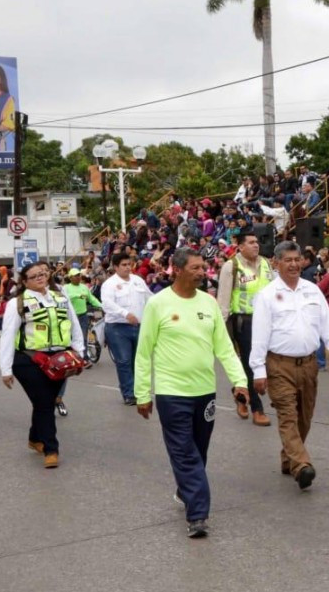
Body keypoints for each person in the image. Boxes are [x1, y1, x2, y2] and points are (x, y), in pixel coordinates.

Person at [134, 248, 248, 538]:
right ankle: (197, 515)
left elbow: (224, 347)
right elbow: (144, 352)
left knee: (199, 451)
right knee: (184, 453)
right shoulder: (158, 304)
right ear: (177, 269)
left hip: (204, 393)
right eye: (196, 268)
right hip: (172, 393)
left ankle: (186, 489)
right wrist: (143, 393)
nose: (202, 273)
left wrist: (239, 381)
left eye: (203, 268)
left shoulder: (208, 304)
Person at [249, 242, 329, 491]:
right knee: (288, 416)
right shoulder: (267, 295)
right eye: (287, 260)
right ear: (276, 263)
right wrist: (258, 371)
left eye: (296, 259)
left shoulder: (312, 291)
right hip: (279, 365)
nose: (293, 264)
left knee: (305, 417)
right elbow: (259, 336)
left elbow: (327, 325)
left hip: (309, 364)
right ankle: (302, 465)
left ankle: (288, 457)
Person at [0, 262, 85, 469]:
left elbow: (73, 324)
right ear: (25, 281)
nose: (40, 278)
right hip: (28, 359)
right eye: (34, 276)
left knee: (43, 402)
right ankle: (51, 449)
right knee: (46, 402)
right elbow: (8, 335)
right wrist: (6, 369)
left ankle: (34, 438)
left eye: (43, 273)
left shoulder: (60, 296)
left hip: (58, 359)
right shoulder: (17, 303)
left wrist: (79, 351)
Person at [215, 230, 273, 425]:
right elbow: (223, 298)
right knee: (251, 365)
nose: (256, 245)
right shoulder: (231, 266)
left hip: (266, 320)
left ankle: (238, 390)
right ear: (240, 246)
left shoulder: (265, 263)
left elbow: (273, 290)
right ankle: (257, 409)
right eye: (250, 242)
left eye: (257, 242)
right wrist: (220, 328)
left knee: (266, 362)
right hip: (244, 321)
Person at [101, 252, 151, 406]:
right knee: (123, 361)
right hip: (118, 328)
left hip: (139, 326)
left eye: (129, 264)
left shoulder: (138, 281)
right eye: (123, 265)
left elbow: (150, 298)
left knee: (138, 362)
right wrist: (125, 313)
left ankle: (138, 391)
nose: (128, 267)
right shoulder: (109, 284)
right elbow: (107, 304)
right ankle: (129, 394)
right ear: (115, 267)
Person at [59, 268, 101, 415]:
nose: (78, 278)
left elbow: (91, 298)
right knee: (71, 340)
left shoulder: (84, 288)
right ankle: (76, 357)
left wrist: (100, 305)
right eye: (75, 276)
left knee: (82, 338)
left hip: (82, 316)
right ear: (70, 277)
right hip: (70, 316)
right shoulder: (66, 288)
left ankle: (84, 358)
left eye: (79, 276)